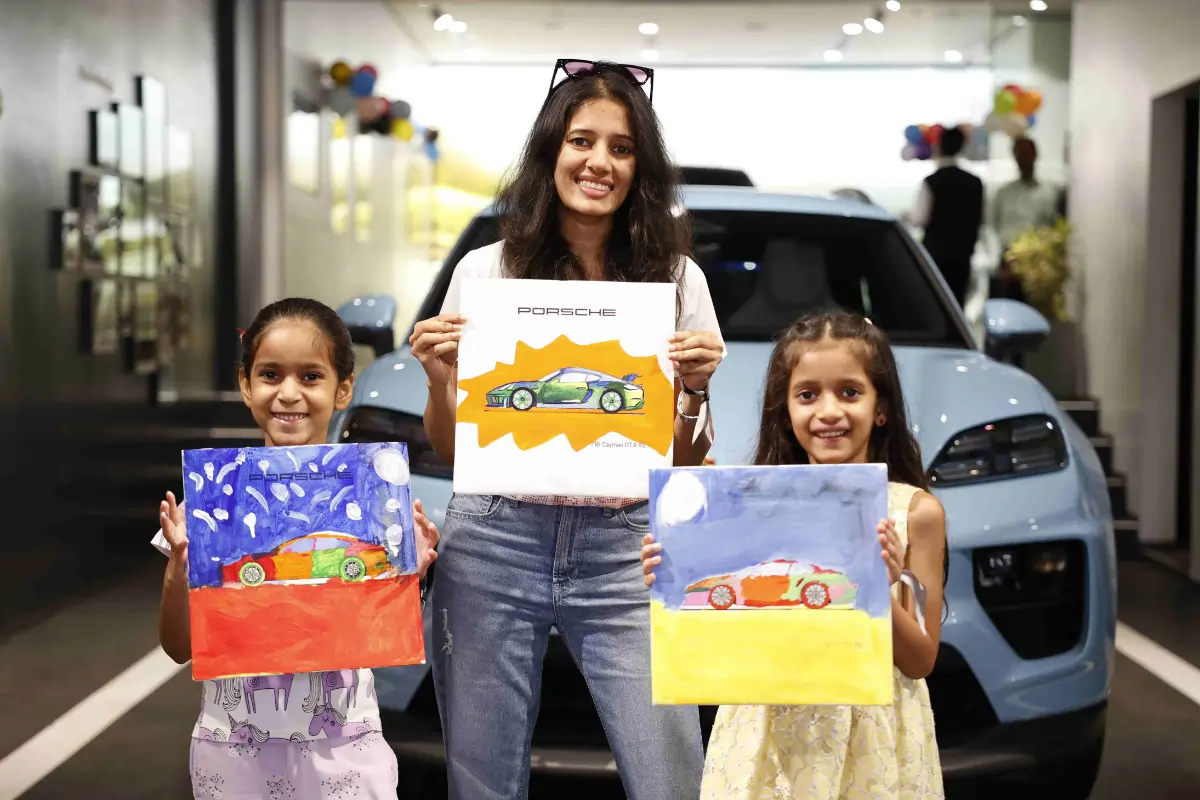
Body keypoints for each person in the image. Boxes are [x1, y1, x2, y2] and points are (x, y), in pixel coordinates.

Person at [408, 59, 725, 800]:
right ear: (552, 150)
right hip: (493, 539)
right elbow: (453, 449)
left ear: (640, 168)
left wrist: (695, 389)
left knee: (671, 778)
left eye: (621, 148)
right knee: (482, 783)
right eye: (582, 141)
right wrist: (435, 376)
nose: (599, 162)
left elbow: (685, 460)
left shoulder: (678, 281)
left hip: (628, 548)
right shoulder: (485, 272)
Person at [642, 311, 946, 800]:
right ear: (785, 410)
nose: (829, 411)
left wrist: (875, 587)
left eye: (850, 392)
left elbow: (921, 660)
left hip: (873, 743)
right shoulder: (751, 507)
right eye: (807, 395)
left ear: (881, 407)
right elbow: (720, 629)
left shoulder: (916, 513)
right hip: (765, 734)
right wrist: (670, 571)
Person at [154, 298, 441, 799]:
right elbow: (179, 647)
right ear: (246, 385)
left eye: (310, 376)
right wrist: (181, 568)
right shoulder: (211, 502)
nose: (289, 393)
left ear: (343, 388)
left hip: (347, 741)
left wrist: (406, 575)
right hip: (232, 747)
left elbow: (380, 638)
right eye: (270, 375)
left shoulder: (374, 502)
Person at [908, 126, 985, 306]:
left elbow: (920, 219)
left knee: (934, 304)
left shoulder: (932, 181)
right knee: (956, 305)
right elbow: (982, 220)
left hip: (935, 256)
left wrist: (907, 217)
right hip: (963, 255)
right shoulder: (975, 183)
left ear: (939, 146)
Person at [989, 137, 1062, 303]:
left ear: (1035, 155)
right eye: (1020, 154)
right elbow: (995, 226)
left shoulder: (1050, 192)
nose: (1024, 159)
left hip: (1040, 263)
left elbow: (1054, 226)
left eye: (1027, 153)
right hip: (1009, 261)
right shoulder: (1004, 194)